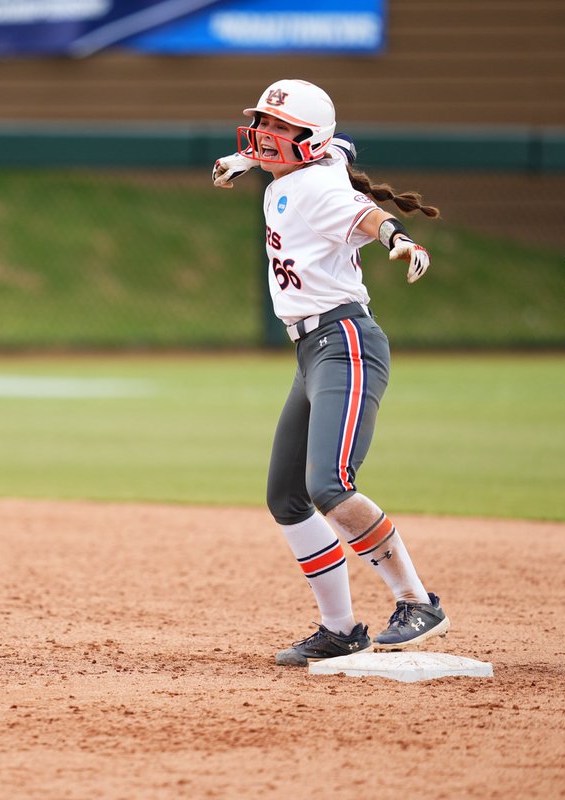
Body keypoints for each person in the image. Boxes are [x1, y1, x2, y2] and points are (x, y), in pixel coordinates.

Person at [211, 78, 449, 667]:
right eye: (261, 123)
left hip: (344, 342)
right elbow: (334, 148)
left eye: (276, 127)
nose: (263, 134)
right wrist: (250, 157)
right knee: (286, 497)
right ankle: (340, 629)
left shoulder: (317, 186)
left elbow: (363, 214)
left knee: (329, 486)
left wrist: (398, 237)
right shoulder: (306, 166)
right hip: (311, 348)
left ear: (308, 142)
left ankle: (418, 602)